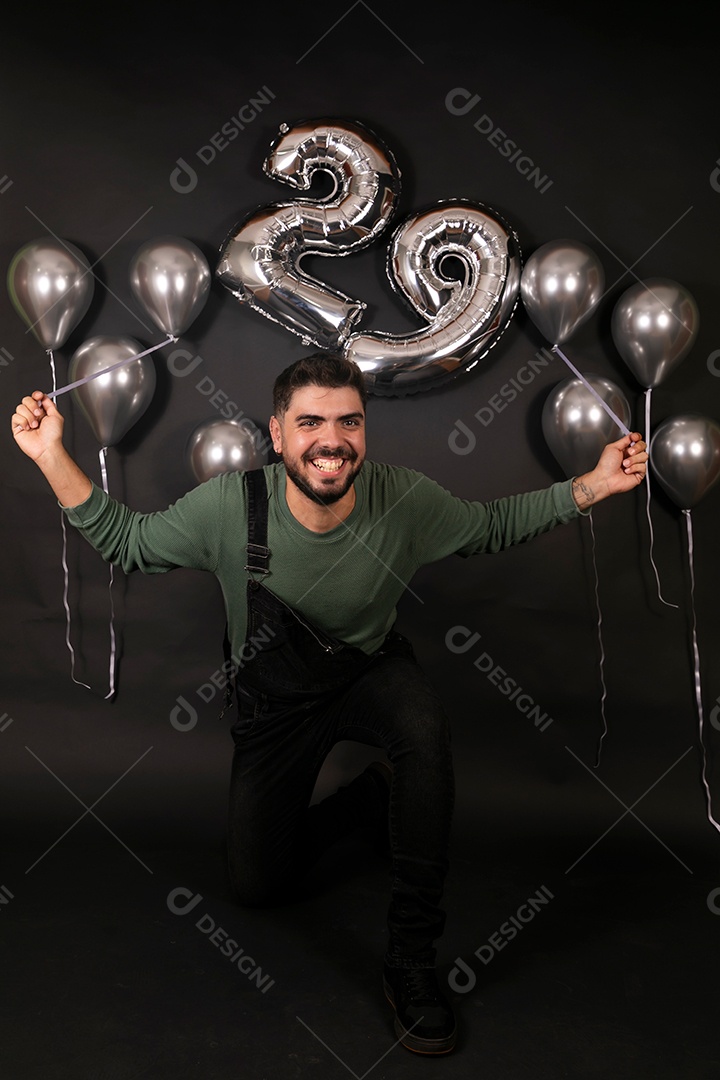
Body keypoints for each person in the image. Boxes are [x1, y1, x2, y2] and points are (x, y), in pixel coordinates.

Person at [11, 352, 648, 1055]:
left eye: (349, 421)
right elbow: (125, 543)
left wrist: (593, 484)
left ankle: (410, 961)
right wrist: (49, 454)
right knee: (257, 884)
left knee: (423, 732)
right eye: (311, 421)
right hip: (276, 704)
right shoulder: (228, 507)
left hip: (368, 673)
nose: (332, 439)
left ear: (365, 432)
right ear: (278, 434)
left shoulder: (403, 499)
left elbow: (491, 525)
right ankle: (368, 800)